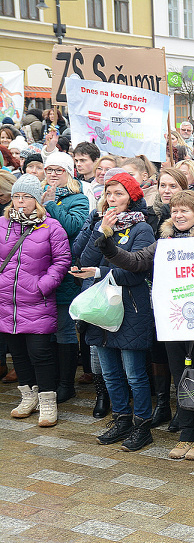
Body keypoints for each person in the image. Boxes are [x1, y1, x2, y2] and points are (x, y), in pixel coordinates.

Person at [98, 190, 194, 459]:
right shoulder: (164, 242)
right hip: (173, 319)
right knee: (180, 377)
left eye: (185, 210)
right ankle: (186, 432)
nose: (178, 215)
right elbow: (136, 261)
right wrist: (108, 245)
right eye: (175, 210)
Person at [73, 172, 156, 451]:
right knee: (110, 373)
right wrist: (100, 232)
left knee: (134, 373)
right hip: (101, 308)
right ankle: (121, 419)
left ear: (131, 198)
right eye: (108, 194)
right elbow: (83, 261)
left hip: (131, 308)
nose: (112, 199)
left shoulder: (141, 229)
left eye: (118, 194)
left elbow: (134, 272)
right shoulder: (101, 223)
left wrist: (99, 272)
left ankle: (142, 424)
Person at [4, 175, 71, 427]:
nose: (21, 202)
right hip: (6, 301)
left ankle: (47, 401)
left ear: (37, 200)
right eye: (17, 196)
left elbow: (62, 261)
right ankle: (28, 397)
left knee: (40, 353)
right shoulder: (3, 224)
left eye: (27, 197)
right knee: (18, 353)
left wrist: (43, 286)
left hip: (36, 300)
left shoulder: (51, 226)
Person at [39, 152, 89, 405]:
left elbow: (73, 227)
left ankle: (66, 384)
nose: (54, 174)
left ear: (70, 172)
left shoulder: (78, 198)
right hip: (39, 273)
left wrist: (49, 205)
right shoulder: (39, 195)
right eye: (50, 170)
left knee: (64, 329)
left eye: (59, 170)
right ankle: (51, 380)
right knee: (46, 330)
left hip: (65, 273)